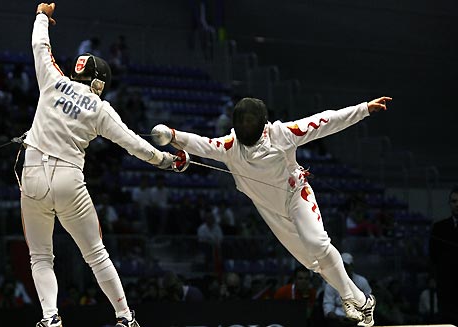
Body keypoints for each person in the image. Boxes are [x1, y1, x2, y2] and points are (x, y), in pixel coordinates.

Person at [153, 96, 392, 327]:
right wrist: (172, 135)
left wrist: (363, 109)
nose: (246, 125)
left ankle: (350, 299)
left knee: (317, 243)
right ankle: (362, 300)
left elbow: (325, 121)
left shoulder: (283, 134)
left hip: (297, 197)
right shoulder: (230, 147)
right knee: (313, 264)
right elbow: (201, 144)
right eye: (242, 121)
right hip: (271, 211)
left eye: (250, 121)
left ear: (261, 122)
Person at [20, 3, 177, 327]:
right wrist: (164, 159)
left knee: (40, 257)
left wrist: (41, 15)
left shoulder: (51, 79)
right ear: (99, 82)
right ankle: (124, 317)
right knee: (95, 254)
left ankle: (51, 318)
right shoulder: (100, 107)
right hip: (68, 180)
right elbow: (133, 143)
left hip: (33, 175)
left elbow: (40, 45)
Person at [429, 185, 458, 325]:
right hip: (446, 283)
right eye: (454, 201)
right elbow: (433, 256)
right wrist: (433, 277)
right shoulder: (439, 227)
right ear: (450, 204)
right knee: (446, 320)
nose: (457, 204)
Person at [323, 253, 372, 327]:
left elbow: (369, 302)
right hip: (338, 318)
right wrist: (335, 317)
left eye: (346, 266)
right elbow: (328, 304)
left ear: (352, 266)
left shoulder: (362, 281)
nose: (343, 269)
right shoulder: (331, 283)